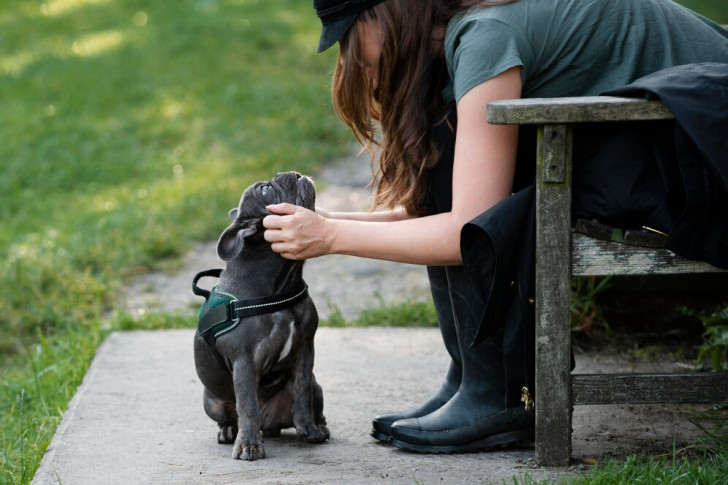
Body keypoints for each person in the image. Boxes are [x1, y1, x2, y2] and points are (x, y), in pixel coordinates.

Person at [262, 0, 728, 454]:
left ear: (385, 13)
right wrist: (324, 223)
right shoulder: (470, 28)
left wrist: (329, 237)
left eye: (348, 38)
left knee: (456, 149)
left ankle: (501, 390)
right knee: (452, 145)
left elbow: (466, 227)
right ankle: (472, 374)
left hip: (705, 150)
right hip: (676, 133)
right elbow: (444, 211)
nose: (351, 59)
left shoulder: (485, 35)